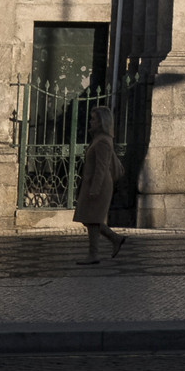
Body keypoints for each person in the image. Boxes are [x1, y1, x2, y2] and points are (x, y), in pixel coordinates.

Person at [74, 106, 127, 262]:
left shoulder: (103, 141)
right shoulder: (99, 138)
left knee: (92, 218)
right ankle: (114, 240)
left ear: (102, 122)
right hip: (94, 183)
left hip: (100, 184)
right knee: (90, 218)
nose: (91, 122)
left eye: (94, 119)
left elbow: (101, 168)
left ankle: (94, 253)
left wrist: (95, 188)